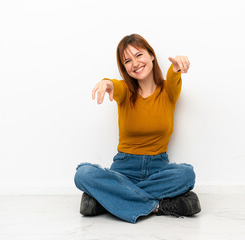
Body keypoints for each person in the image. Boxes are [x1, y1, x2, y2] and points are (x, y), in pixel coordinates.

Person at [74, 34, 201, 224]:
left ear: (151, 55)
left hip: (158, 169)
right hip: (124, 169)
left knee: (186, 174)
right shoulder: (126, 91)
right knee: (82, 174)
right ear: (124, 67)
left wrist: (176, 68)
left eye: (139, 55)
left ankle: (109, 199)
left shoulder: (168, 91)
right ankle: (157, 206)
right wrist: (105, 83)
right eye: (127, 60)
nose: (134, 63)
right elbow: (113, 85)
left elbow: (173, 75)